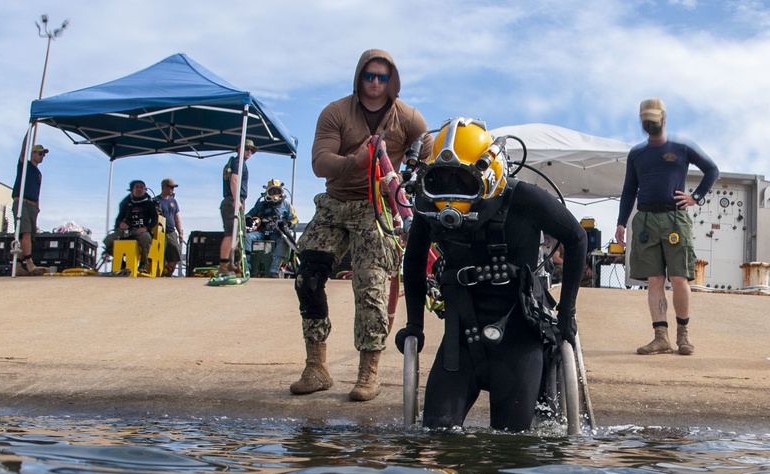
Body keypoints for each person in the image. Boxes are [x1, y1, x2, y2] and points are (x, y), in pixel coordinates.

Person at [397, 117, 588, 432]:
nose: (452, 195)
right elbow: (414, 260)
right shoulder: (430, 204)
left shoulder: (524, 198)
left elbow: (577, 237)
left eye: (463, 182)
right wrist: (414, 325)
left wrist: (567, 312)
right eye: (441, 180)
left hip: (520, 340)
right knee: (437, 436)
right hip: (460, 343)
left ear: (488, 176)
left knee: (511, 448)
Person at [289, 49, 431, 402]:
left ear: (392, 81)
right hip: (335, 204)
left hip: (375, 208)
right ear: (359, 77)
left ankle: (368, 373)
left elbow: (425, 150)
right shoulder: (335, 112)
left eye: (383, 77)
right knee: (308, 278)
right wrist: (357, 160)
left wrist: (403, 180)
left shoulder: (409, 118)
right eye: (369, 76)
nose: (375, 83)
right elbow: (320, 163)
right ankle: (316, 367)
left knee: (370, 288)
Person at [615, 98, 719, 356]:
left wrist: (696, 197)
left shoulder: (681, 147)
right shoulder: (637, 153)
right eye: (645, 119)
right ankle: (661, 337)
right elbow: (629, 190)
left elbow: (712, 169)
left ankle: (683, 336)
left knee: (679, 278)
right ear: (641, 120)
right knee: (654, 279)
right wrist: (620, 222)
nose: (649, 123)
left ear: (664, 117)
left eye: (653, 118)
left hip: (675, 219)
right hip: (646, 220)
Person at [244, 179, 298, 277]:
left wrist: (287, 224)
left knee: (284, 241)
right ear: (267, 192)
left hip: (277, 233)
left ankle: (274, 270)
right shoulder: (261, 205)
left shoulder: (286, 205)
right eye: (272, 192)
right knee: (247, 237)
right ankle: (246, 268)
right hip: (261, 232)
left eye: (277, 191)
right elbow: (248, 214)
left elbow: (295, 220)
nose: (274, 194)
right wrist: (248, 219)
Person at [104, 180, 158, 274]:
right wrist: (120, 224)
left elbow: (155, 220)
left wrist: (146, 228)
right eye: (137, 187)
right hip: (127, 231)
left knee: (146, 238)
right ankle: (122, 264)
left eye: (141, 187)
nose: (139, 189)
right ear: (132, 190)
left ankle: (143, 263)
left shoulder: (150, 204)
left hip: (142, 230)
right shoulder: (126, 203)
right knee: (108, 240)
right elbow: (118, 218)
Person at [11, 141, 49, 275]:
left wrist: (37, 209)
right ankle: (29, 262)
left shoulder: (38, 174)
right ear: (33, 153)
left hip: (33, 205)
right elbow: (23, 151)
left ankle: (18, 265)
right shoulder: (24, 166)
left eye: (43, 155)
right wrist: (29, 132)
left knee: (27, 236)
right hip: (22, 202)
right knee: (25, 232)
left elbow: (37, 192)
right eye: (39, 154)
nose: (41, 157)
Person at [218, 139, 256, 275]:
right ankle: (224, 265)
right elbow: (234, 180)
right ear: (239, 148)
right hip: (233, 200)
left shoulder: (234, 162)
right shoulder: (238, 162)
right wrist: (236, 199)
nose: (249, 152)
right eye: (247, 149)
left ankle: (230, 264)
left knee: (237, 234)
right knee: (231, 233)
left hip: (233, 200)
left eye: (251, 150)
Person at [156, 178, 185, 275]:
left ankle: (166, 273)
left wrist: (180, 232)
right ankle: (157, 274)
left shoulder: (173, 202)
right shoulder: (155, 201)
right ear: (164, 187)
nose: (173, 189)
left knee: (175, 256)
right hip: (159, 232)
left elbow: (177, 218)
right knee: (158, 256)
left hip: (171, 232)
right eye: (171, 187)